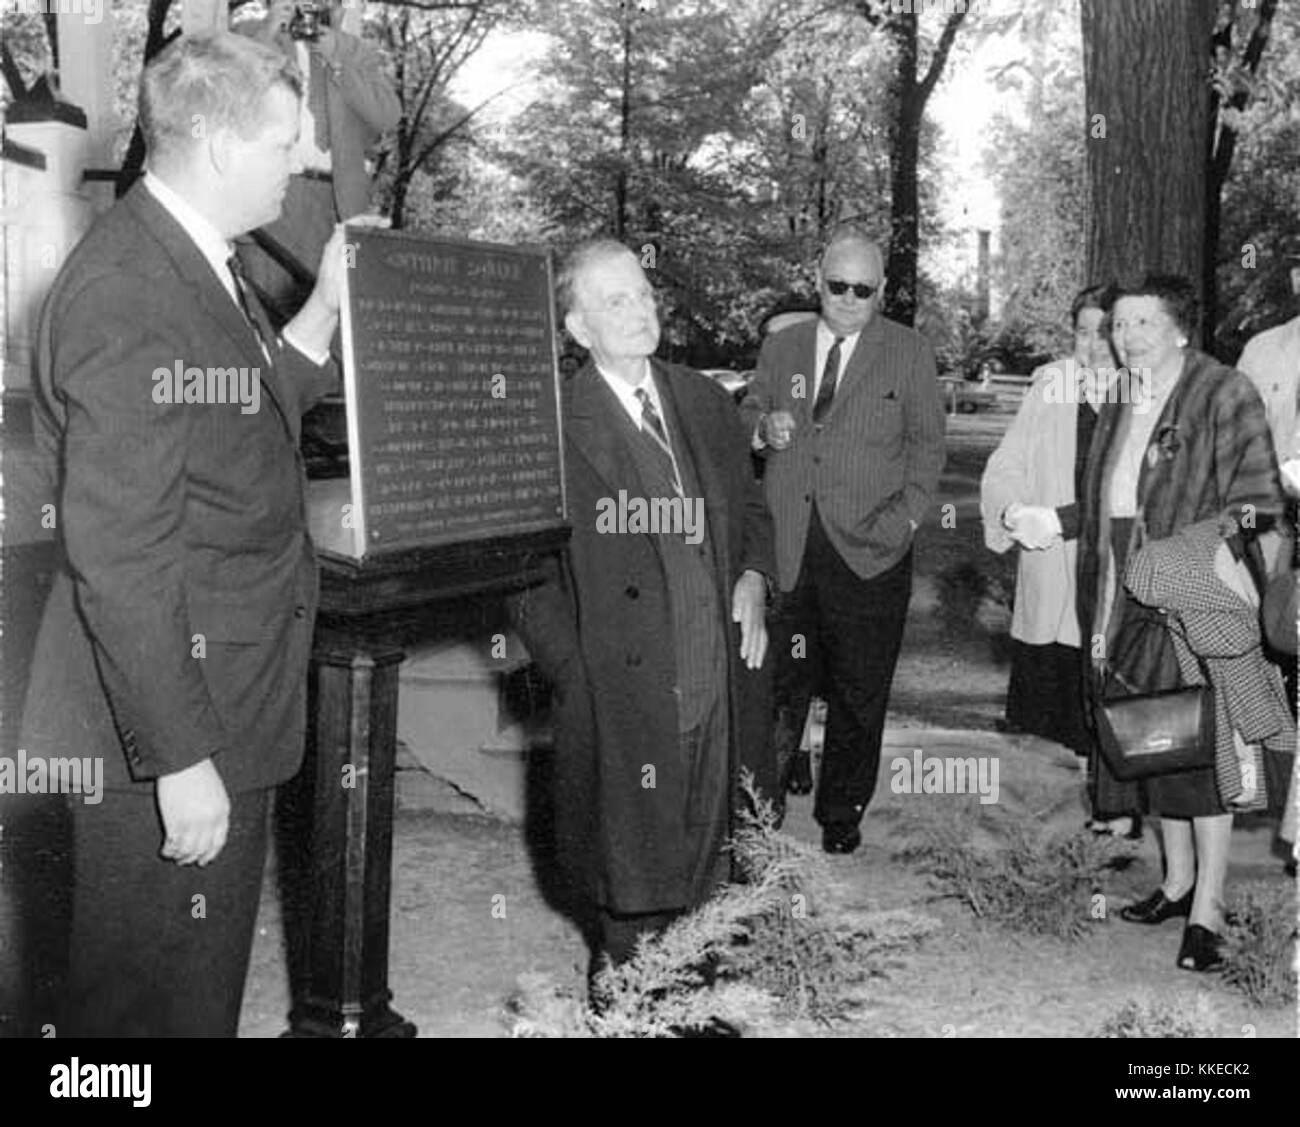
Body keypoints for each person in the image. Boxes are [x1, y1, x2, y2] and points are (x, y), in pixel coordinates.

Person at [17, 32, 351, 1036]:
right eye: (286, 140)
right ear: (216, 146)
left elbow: (235, 421)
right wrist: (180, 755)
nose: (302, 162)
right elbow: (121, 556)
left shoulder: (195, 258)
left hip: (210, 698)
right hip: (161, 726)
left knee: (191, 1001)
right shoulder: (132, 294)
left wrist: (322, 316)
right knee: (140, 1017)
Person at [508, 240, 776, 982]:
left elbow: (753, 509)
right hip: (623, 684)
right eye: (615, 302)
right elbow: (523, 571)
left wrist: (754, 574)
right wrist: (574, 670)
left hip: (716, 669)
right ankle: (630, 999)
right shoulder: (551, 422)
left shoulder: (703, 401)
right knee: (632, 861)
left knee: (714, 839)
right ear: (578, 328)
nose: (639, 312)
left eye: (644, 295)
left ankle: (700, 991)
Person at [1074, 275, 1288, 972]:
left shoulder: (1225, 391)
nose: (1127, 337)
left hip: (1196, 584)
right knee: (1156, 734)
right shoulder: (1118, 396)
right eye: (1120, 325)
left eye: (1142, 324)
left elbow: (1258, 505)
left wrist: (1191, 563)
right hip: (1120, 581)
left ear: (1180, 330)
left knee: (1205, 746)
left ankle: (1210, 908)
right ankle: (1175, 879)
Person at [739, 226, 946, 854]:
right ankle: (761, 815)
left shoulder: (908, 353)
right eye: (838, 286)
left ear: (881, 290)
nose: (850, 298)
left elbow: (928, 452)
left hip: (871, 554)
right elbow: (747, 410)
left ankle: (841, 813)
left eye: (864, 289)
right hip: (788, 548)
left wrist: (900, 526)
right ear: (818, 282)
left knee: (860, 692)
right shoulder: (786, 347)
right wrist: (760, 429)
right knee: (778, 686)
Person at [980, 285, 1142, 838]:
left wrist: (1060, 519)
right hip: (1051, 571)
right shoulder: (1051, 383)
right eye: (1082, 332)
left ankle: (1116, 812)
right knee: (1049, 697)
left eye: (1105, 332)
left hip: (1111, 572)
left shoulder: (1141, 391)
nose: (1093, 346)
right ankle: (1049, 820)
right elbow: (1009, 462)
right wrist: (1011, 511)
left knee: (1105, 690)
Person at [237, 0, 400, 315]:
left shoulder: (354, 50)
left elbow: (387, 116)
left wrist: (338, 57)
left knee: (331, 315)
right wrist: (269, 30)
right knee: (268, 311)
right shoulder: (249, 35)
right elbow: (229, 94)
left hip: (337, 202)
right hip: (273, 193)